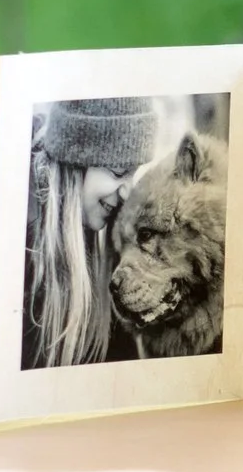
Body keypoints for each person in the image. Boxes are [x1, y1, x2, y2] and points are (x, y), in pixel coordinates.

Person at [22, 97, 156, 369]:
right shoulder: (22, 264)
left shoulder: (110, 270)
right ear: (76, 163)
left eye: (133, 175)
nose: (127, 191)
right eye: (119, 171)